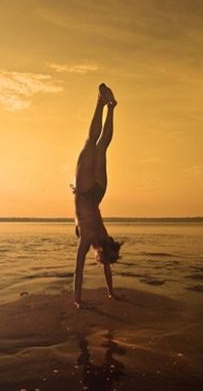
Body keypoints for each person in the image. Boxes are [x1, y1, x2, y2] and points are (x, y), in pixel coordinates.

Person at [72, 83, 122, 308]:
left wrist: (111, 291)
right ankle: (100, 102)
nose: (101, 262)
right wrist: (77, 300)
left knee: (101, 146)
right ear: (102, 252)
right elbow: (78, 270)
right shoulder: (90, 239)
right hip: (84, 192)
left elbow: (107, 269)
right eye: (102, 260)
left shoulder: (103, 236)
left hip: (99, 191)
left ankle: (111, 107)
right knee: (92, 143)